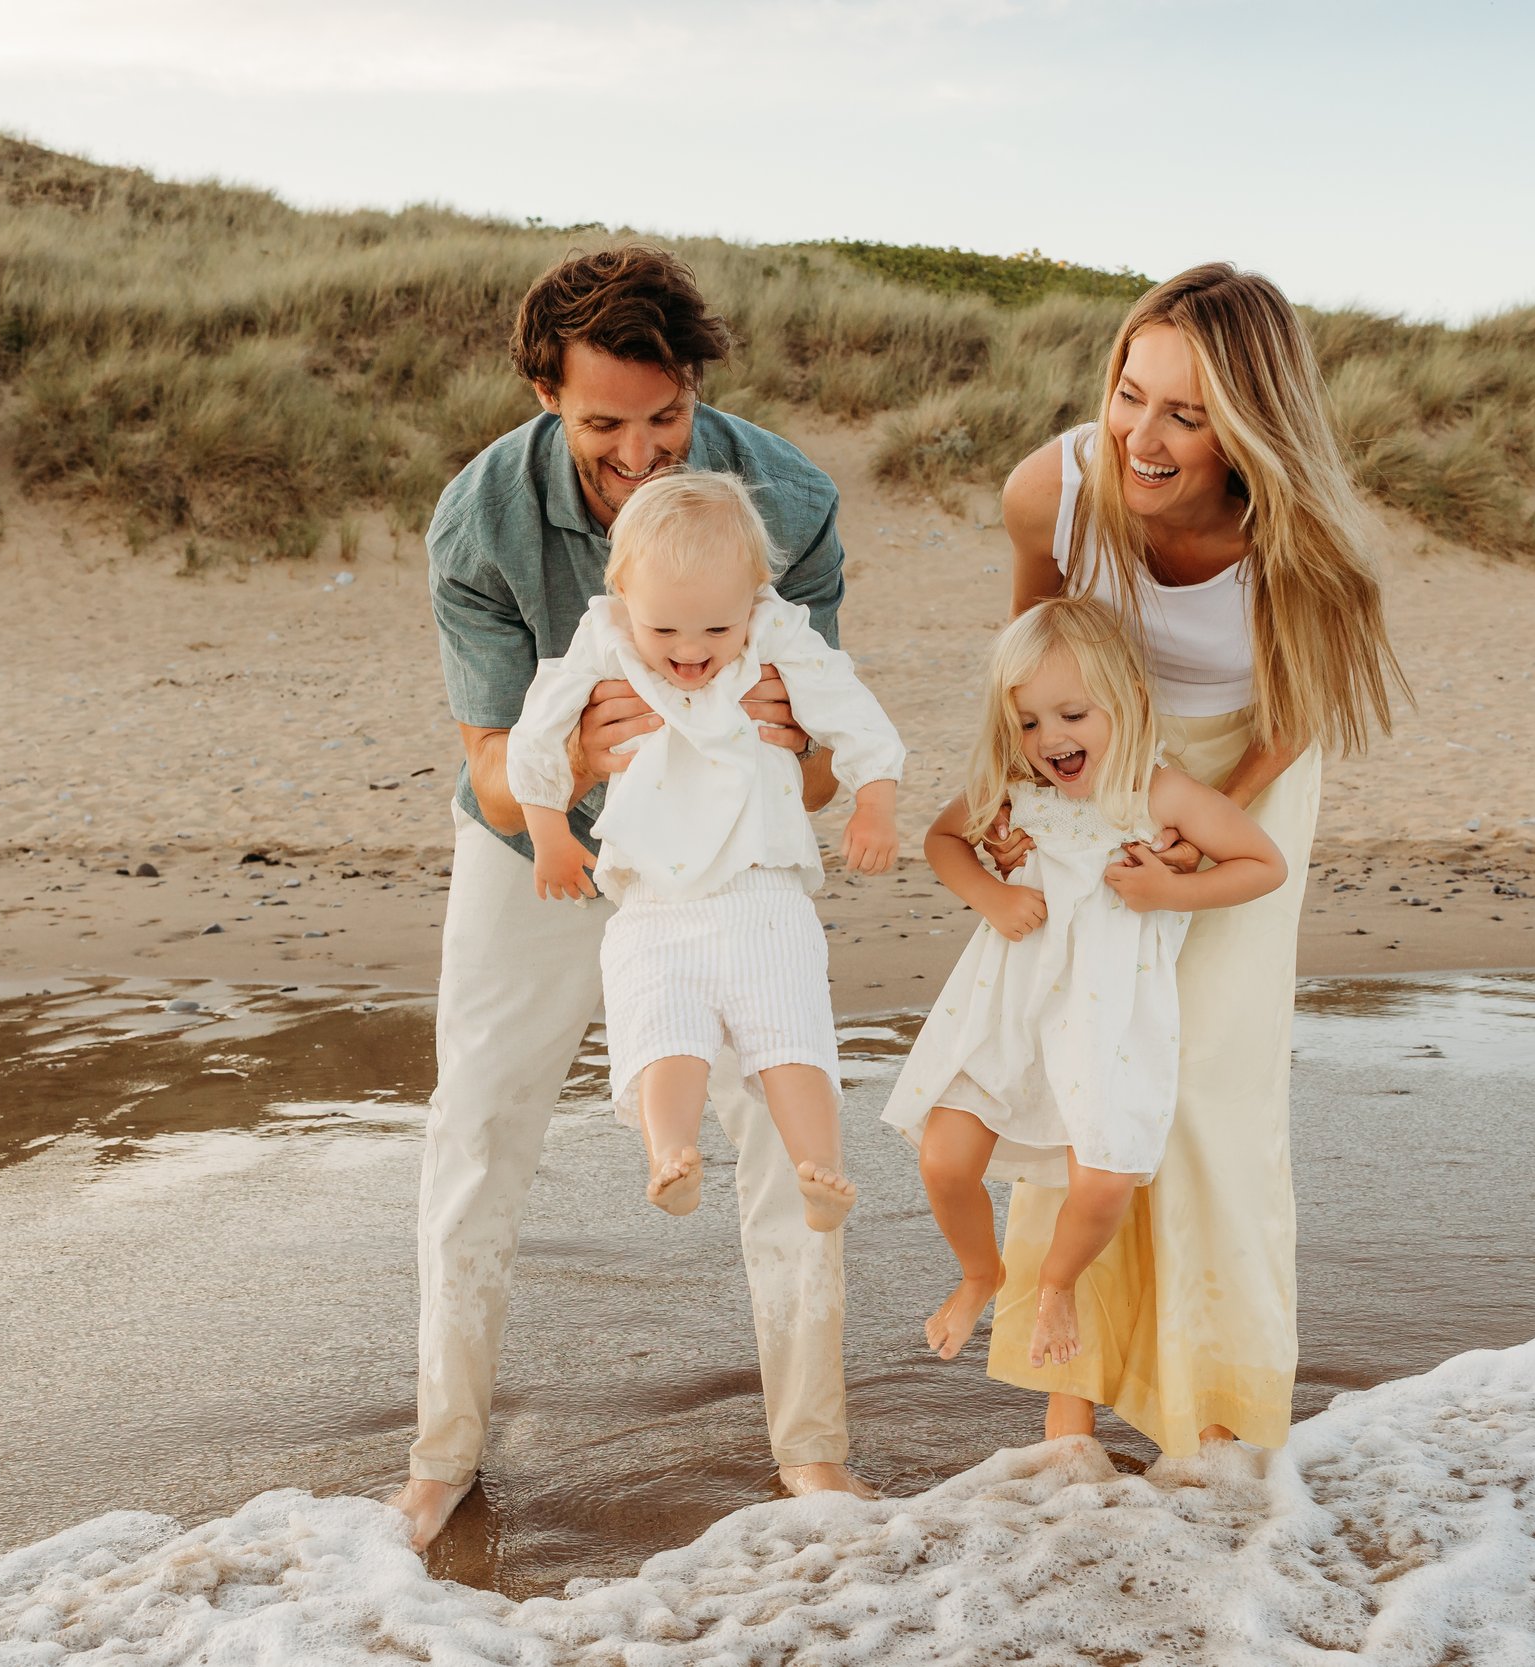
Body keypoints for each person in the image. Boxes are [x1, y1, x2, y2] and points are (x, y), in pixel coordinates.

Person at [393, 245, 876, 1553]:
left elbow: (822, 769)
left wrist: (800, 738)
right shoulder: (481, 516)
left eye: (666, 418)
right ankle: (442, 1457)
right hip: (536, 854)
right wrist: (571, 764)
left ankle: (814, 1450)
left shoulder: (790, 497)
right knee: (480, 1124)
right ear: (545, 393)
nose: (644, 451)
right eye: (605, 423)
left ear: (696, 386)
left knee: (791, 1125)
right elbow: (492, 772)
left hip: (724, 856)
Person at [985, 263, 1403, 1460]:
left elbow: (1295, 711)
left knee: (1206, 1088)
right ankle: (1068, 1408)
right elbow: (1033, 657)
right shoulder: (1051, 493)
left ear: (1251, 425)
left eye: (1188, 412)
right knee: (1089, 1066)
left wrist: (1207, 819)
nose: (1144, 437)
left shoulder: (1305, 540)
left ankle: (1213, 1414)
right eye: (1130, 395)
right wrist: (1026, 800)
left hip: (1244, 783)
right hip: (1098, 764)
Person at [884, 596, 1285, 1371]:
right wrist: (991, 894)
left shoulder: (1160, 798)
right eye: (1029, 723)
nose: (1051, 739)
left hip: (1106, 1025)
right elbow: (941, 838)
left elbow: (1263, 863)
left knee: (1103, 1182)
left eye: (1072, 714)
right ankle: (981, 1271)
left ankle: (1058, 1281)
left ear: (1128, 702)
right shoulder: (1017, 792)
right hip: (1007, 1009)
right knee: (943, 1158)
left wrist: (1174, 892)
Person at [506, 469, 903, 1229]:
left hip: (763, 883)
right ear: (624, 596)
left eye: (716, 631)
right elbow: (536, 731)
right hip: (654, 895)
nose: (690, 652)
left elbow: (847, 704)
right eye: (666, 632)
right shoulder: (607, 634)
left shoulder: (774, 629)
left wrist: (874, 797)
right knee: (659, 1023)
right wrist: (550, 830)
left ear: (752, 598)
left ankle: (818, 1165)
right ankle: (671, 1154)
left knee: (792, 1029)